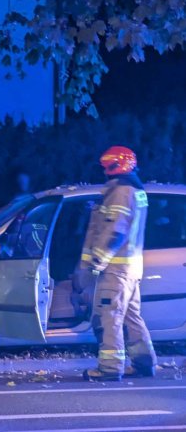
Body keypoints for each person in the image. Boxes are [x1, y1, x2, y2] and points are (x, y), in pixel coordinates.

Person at [81, 146, 157, 382]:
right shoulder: (135, 189)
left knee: (110, 315)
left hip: (116, 268)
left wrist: (98, 260)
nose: (105, 172)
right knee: (131, 316)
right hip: (131, 267)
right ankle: (145, 363)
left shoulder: (120, 191)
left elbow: (116, 231)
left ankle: (110, 368)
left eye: (107, 167)